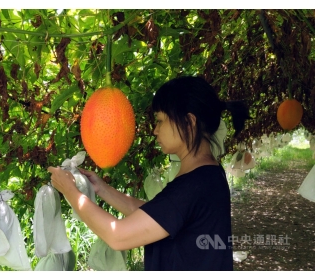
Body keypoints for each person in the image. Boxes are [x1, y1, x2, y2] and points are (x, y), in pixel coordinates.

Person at [47, 75, 250, 271]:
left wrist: (71, 192)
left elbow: (118, 236)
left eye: (161, 120)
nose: (155, 130)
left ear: (189, 122)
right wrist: (102, 189)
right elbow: (158, 214)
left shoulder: (194, 186)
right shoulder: (207, 176)